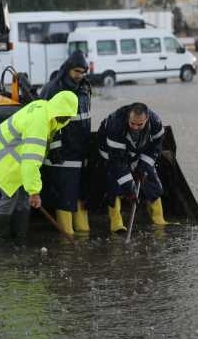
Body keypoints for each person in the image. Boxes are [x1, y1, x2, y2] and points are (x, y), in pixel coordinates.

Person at [0, 90, 78, 241]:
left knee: (23, 196)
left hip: (12, 155)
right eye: (67, 115)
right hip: (2, 156)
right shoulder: (39, 123)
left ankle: (20, 237)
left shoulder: (44, 108)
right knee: (10, 196)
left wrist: (31, 190)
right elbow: (31, 160)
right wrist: (35, 192)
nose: (68, 118)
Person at [39, 50, 92, 236]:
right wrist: (55, 148)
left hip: (80, 150)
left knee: (80, 192)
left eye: (84, 72)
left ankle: (83, 233)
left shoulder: (85, 88)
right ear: (68, 69)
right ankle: (66, 235)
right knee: (65, 193)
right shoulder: (53, 88)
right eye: (77, 71)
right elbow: (47, 122)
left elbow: (84, 118)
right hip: (62, 153)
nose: (81, 76)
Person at [97, 102, 167, 232]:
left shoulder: (155, 122)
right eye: (132, 123)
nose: (135, 127)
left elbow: (156, 146)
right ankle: (116, 221)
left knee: (150, 177)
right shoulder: (116, 124)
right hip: (112, 153)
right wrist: (130, 188)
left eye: (140, 124)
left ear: (147, 119)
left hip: (137, 152)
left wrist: (143, 166)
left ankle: (158, 218)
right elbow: (117, 162)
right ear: (128, 118)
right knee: (115, 181)